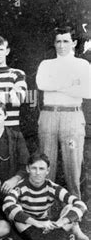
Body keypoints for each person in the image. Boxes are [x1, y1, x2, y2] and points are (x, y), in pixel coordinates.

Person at [3, 153, 89, 240]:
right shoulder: (21, 187)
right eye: (34, 168)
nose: (38, 173)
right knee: (16, 213)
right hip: (28, 227)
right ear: (28, 169)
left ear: (47, 171)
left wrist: (60, 222)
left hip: (47, 226)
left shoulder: (52, 187)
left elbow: (81, 205)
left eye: (41, 169)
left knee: (70, 207)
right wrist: (36, 223)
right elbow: (7, 204)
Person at [36, 26, 90, 199]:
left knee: (73, 164)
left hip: (72, 116)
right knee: (45, 161)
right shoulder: (46, 64)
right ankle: (43, 208)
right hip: (48, 115)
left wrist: (57, 84)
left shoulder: (82, 64)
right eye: (58, 41)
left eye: (65, 41)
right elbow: (42, 84)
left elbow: (87, 91)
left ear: (73, 43)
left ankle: (75, 211)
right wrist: (71, 84)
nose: (61, 45)